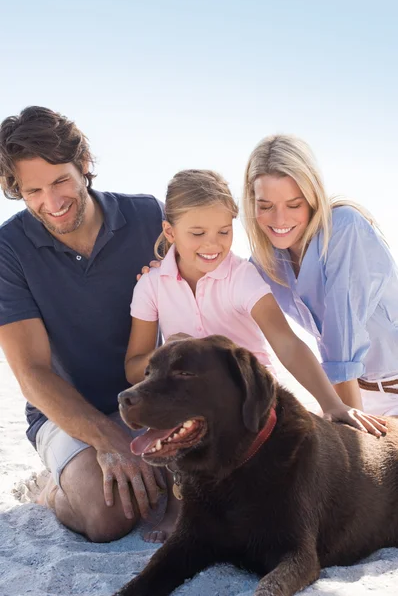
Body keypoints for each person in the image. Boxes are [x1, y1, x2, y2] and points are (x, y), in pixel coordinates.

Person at [126, 168, 387, 542]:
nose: (213, 244)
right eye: (197, 233)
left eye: (224, 231)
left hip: (250, 400)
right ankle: (177, 506)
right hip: (191, 398)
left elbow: (287, 343)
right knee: (178, 406)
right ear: (170, 233)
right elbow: (134, 364)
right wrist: (164, 356)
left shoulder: (241, 277)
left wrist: (332, 404)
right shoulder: (152, 286)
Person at [0, 106, 165, 543]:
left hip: (147, 395)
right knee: (106, 515)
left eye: (60, 181)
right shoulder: (8, 250)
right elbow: (32, 373)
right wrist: (110, 440)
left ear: (84, 165)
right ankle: (51, 490)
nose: (51, 204)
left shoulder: (150, 218)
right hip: (64, 412)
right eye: (33, 190)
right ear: (16, 189)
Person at [243, 134, 398, 416]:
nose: (280, 220)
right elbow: (222, 287)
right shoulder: (265, 264)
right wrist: (159, 273)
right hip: (359, 393)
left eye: (294, 205)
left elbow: (342, 332)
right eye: (266, 206)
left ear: (313, 197)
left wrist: (349, 432)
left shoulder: (343, 228)